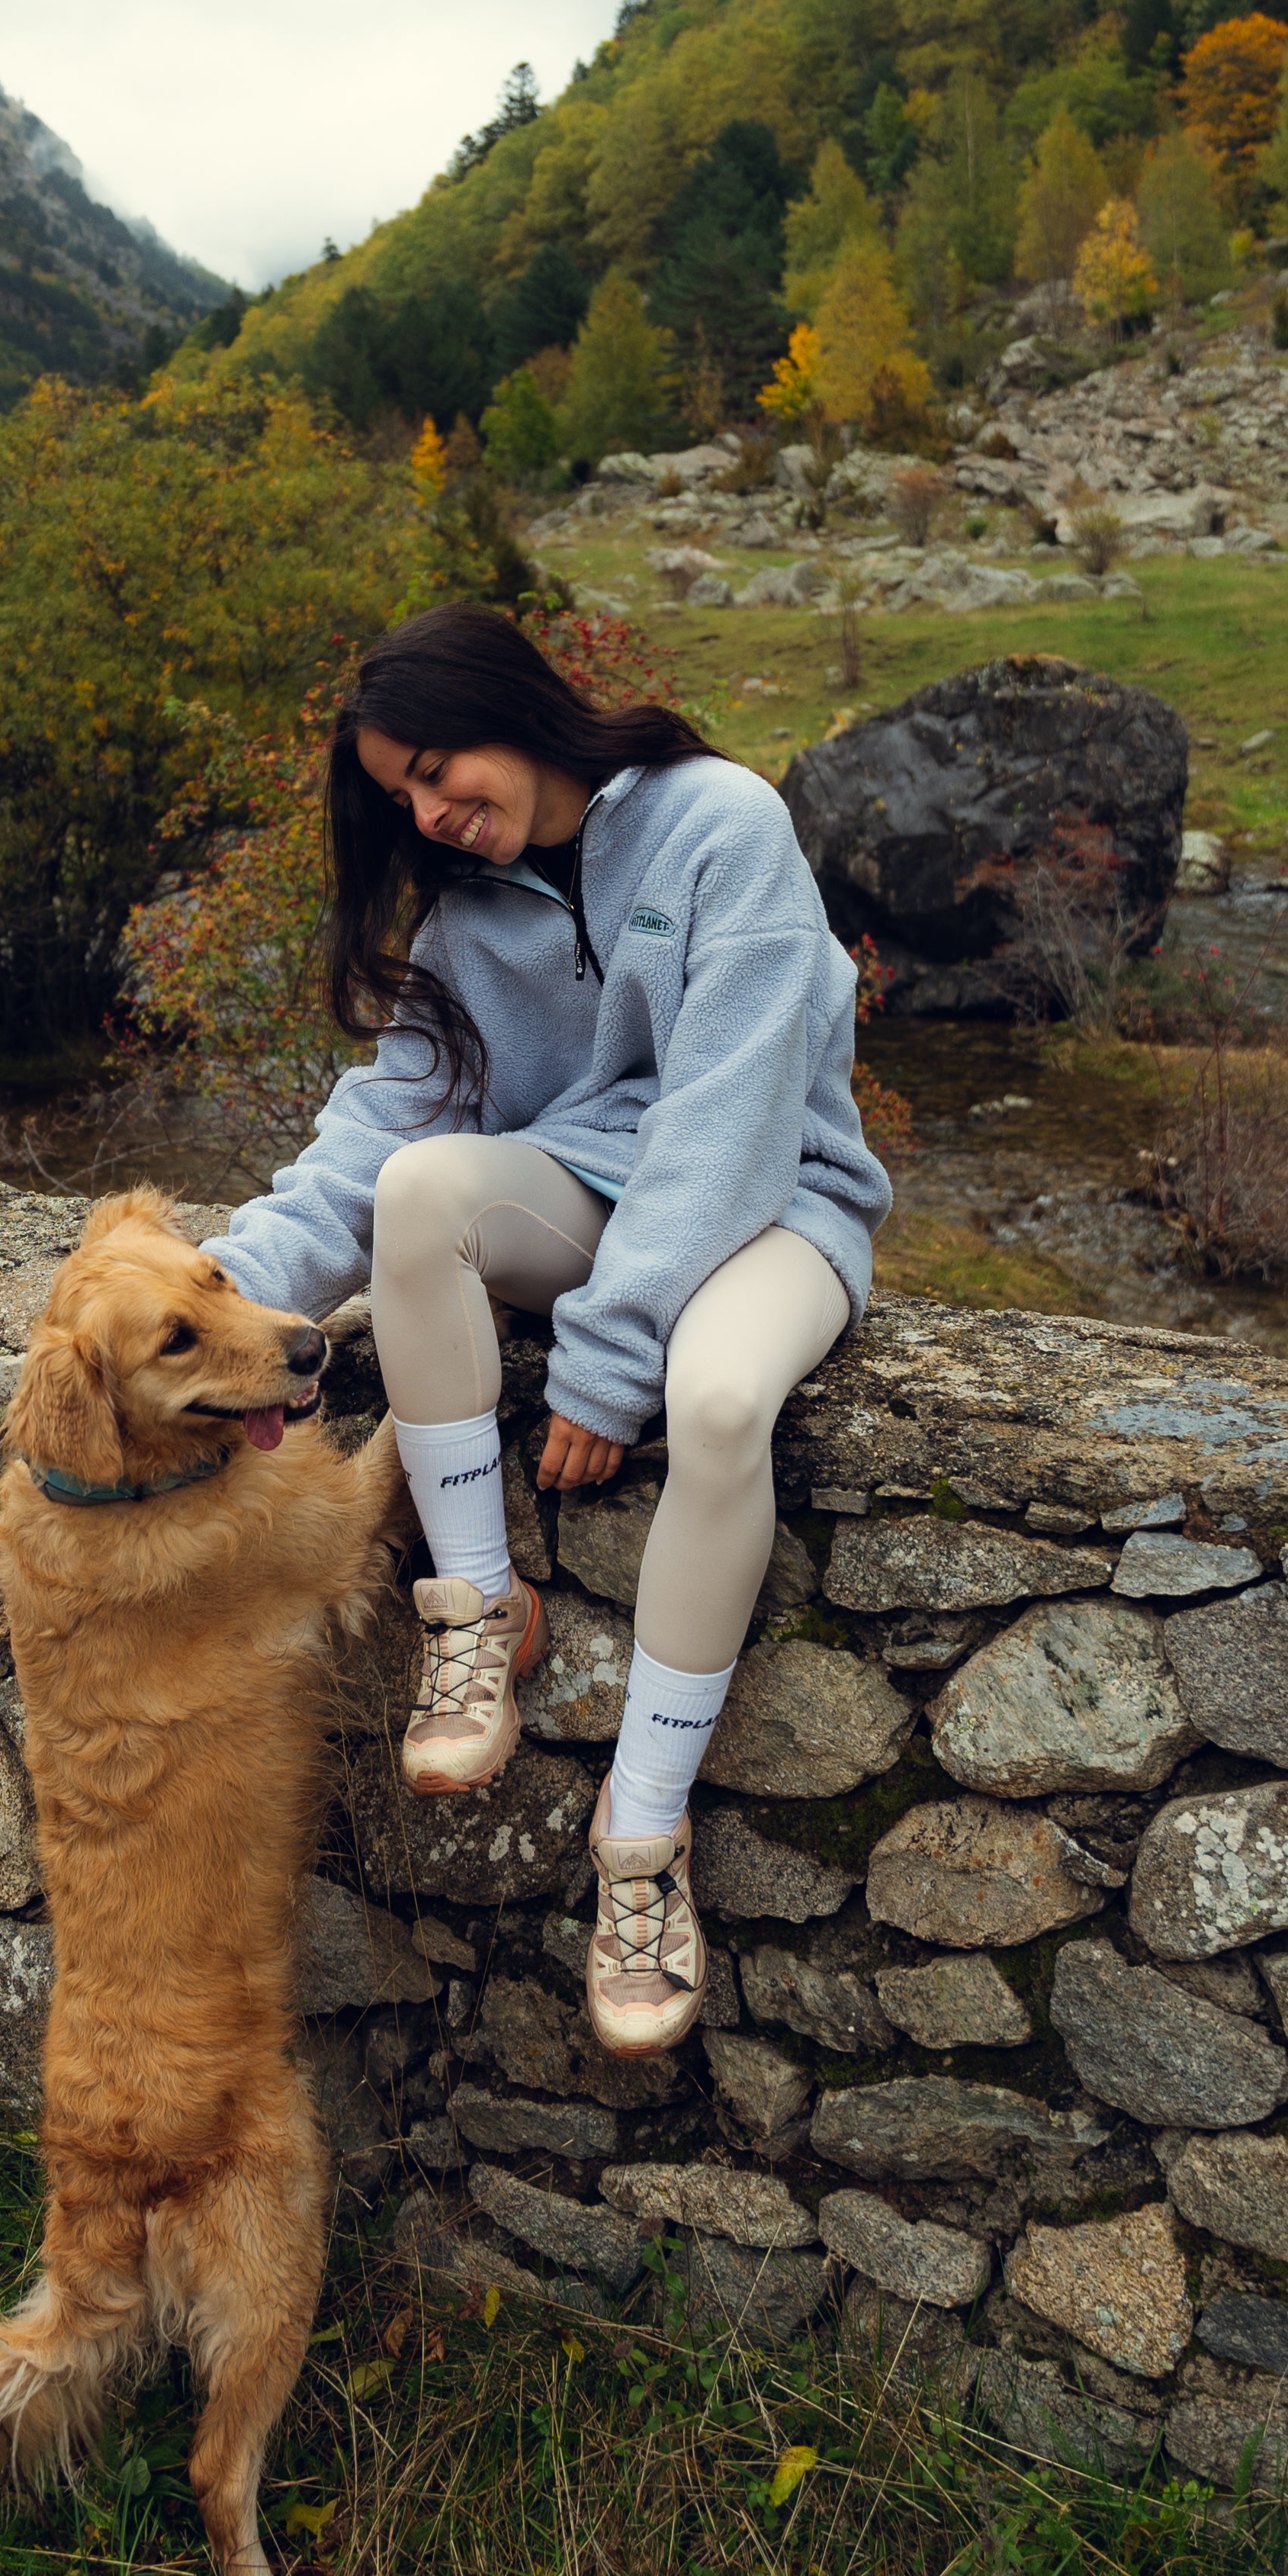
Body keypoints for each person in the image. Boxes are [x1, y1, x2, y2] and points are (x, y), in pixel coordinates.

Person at [210, 603, 891, 2057]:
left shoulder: (721, 823)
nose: (436, 813)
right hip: (597, 1193)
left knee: (715, 1409)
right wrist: (204, 1293)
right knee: (418, 1190)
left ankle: (640, 1847)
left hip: (782, 1204)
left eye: (443, 768)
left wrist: (611, 1351)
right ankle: (481, 1611)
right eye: (404, 798)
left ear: (513, 711)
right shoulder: (469, 923)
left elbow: (730, 1110)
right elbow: (368, 1143)